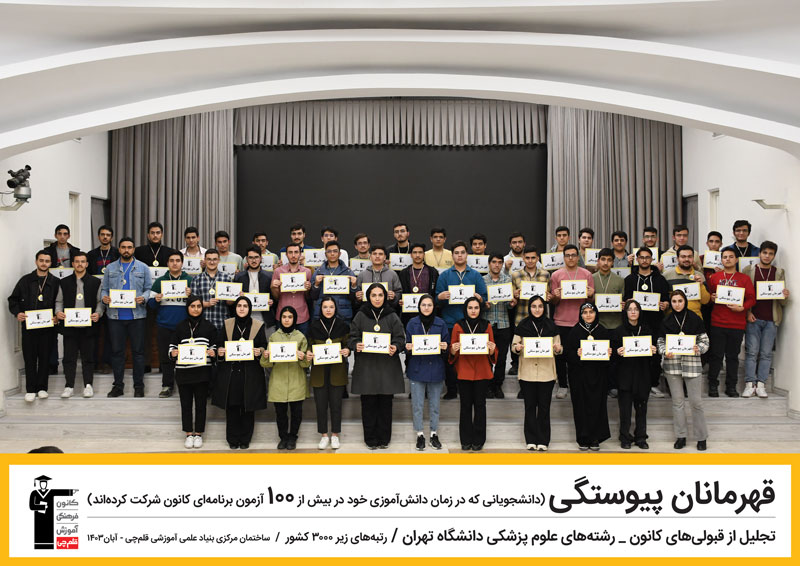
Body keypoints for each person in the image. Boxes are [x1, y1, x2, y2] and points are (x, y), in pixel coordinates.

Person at [348, 283, 406, 449]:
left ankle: (384, 438)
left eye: (380, 295)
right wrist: (356, 344)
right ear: (368, 297)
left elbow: (400, 338)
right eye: (373, 295)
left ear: (385, 297)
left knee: (385, 405)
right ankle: (370, 438)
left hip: (387, 366)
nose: (377, 298)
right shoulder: (360, 315)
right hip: (366, 367)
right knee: (368, 405)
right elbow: (351, 337)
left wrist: (396, 346)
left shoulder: (392, 315)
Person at [435, 241, 489, 399]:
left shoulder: (475, 275)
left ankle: (467, 387)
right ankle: (451, 389)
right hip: (450, 323)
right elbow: (436, 300)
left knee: (469, 356)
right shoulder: (445, 275)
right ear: (452, 255)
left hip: (471, 324)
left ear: (467, 255)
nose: (459, 255)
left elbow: (484, 299)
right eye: (456, 253)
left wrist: (480, 298)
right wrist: (440, 297)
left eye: (462, 252)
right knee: (450, 356)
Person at [212, 296, 268, 449]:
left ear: (249, 308)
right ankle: (232, 439)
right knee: (232, 407)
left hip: (250, 372)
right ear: (235, 308)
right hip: (231, 373)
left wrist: (260, 350)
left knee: (247, 407)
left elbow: (264, 345)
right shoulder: (227, 324)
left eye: (245, 306)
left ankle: (245, 439)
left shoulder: (258, 325)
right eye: (239, 306)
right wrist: (220, 351)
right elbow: (219, 344)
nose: (242, 308)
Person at [657, 290, 710, 451]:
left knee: (696, 402)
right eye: (674, 301)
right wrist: (664, 351)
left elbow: (705, 341)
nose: (677, 304)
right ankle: (681, 436)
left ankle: (701, 437)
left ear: (685, 301)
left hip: (692, 365)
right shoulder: (666, 320)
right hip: (672, 366)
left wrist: (699, 348)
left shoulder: (695, 318)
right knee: (677, 402)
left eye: (680, 301)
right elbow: (660, 342)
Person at [101, 237, 152, 397]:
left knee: (138, 352)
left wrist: (143, 297)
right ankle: (118, 386)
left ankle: (139, 386)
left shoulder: (143, 268)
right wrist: (104, 298)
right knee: (117, 353)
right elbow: (104, 289)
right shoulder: (110, 268)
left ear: (133, 249)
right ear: (119, 249)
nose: (126, 250)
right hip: (115, 317)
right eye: (123, 247)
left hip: (137, 316)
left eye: (129, 247)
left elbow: (149, 288)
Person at [511, 296, 563, 451]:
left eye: (540, 306)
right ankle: (531, 439)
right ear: (530, 308)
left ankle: (543, 440)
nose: (537, 309)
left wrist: (558, 349)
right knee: (530, 407)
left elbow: (559, 347)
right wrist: (517, 348)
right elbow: (514, 346)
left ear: (544, 308)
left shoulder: (551, 325)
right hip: (527, 373)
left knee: (544, 408)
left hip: (547, 373)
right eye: (534, 306)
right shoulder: (523, 325)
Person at [8, 250, 60, 401]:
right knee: (29, 358)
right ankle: (30, 389)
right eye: (41, 260)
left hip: (48, 327)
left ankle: (42, 388)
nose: (44, 263)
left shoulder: (56, 282)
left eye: (47, 261)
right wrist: (17, 313)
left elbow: (61, 302)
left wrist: (57, 316)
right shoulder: (25, 280)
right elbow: (13, 299)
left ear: (51, 263)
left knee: (45, 357)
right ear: (36, 261)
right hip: (29, 327)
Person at [707, 248, 757, 397]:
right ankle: (713, 385)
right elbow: (709, 296)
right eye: (725, 257)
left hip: (737, 324)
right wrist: (711, 297)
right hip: (718, 322)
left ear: (736, 259)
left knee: (732, 357)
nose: (728, 259)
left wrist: (743, 308)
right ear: (721, 260)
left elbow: (752, 298)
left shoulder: (744, 279)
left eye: (731, 256)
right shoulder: (714, 277)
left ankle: (731, 387)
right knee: (716, 356)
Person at [742, 241, 789, 398]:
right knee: (752, 352)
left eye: (770, 254)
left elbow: (782, 303)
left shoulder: (779, 272)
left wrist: (785, 295)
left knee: (766, 353)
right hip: (753, 318)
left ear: (774, 256)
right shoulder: (749, 270)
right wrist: (747, 313)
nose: (767, 256)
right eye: (765, 253)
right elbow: (743, 295)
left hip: (771, 319)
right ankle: (750, 384)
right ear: (759, 253)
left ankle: (761, 384)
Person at [449, 297, 497, 451]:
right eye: (470, 308)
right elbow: (451, 351)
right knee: (465, 406)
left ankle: (478, 440)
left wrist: (492, 350)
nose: (473, 311)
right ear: (465, 309)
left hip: (482, 371)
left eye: (476, 308)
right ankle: (465, 440)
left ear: (480, 309)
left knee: (480, 406)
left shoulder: (486, 325)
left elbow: (493, 350)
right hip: (464, 371)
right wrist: (453, 350)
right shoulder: (458, 325)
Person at [169, 295, 216, 449]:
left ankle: (199, 434)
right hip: (183, 373)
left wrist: (213, 352)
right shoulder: (180, 326)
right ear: (187, 308)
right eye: (192, 306)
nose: (196, 309)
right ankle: (189, 434)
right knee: (186, 405)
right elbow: (171, 346)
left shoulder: (209, 326)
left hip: (202, 373)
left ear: (202, 308)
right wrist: (173, 353)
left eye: (199, 306)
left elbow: (214, 346)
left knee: (201, 405)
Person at [260, 306, 311, 450]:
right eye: (284, 317)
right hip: (279, 381)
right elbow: (266, 364)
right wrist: (266, 356)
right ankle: (283, 437)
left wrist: (303, 357)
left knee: (296, 412)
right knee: (280, 413)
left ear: (295, 319)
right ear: (280, 319)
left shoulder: (300, 337)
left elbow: (305, 364)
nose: (287, 320)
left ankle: (293, 437)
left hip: (296, 380)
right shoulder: (274, 337)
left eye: (290, 317)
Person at [54, 251, 103, 398]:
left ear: (87, 264)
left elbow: (100, 302)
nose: (80, 264)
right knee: (69, 358)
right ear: (73, 264)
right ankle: (69, 386)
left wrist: (98, 313)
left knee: (88, 358)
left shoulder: (95, 282)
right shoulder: (64, 282)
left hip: (88, 326)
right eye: (77, 262)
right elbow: (59, 301)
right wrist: (58, 312)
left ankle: (88, 385)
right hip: (70, 327)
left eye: (82, 262)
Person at [623, 247, 670, 398]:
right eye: (641, 257)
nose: (644, 260)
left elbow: (666, 299)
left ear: (651, 259)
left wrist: (665, 304)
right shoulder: (629, 279)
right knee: (635, 355)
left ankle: (653, 384)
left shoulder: (660, 279)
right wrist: (626, 303)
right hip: (634, 324)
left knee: (654, 355)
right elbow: (625, 300)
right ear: (637, 259)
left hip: (655, 323)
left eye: (647, 257)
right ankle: (634, 383)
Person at [550, 244, 595, 399]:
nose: (571, 258)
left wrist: (591, 294)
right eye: (568, 255)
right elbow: (553, 302)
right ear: (563, 257)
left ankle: (579, 383)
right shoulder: (556, 275)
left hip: (581, 322)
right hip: (561, 321)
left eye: (573, 255)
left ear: (578, 257)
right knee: (561, 355)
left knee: (581, 355)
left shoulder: (587, 274)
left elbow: (591, 302)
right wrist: (555, 296)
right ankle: (563, 385)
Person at [405, 294, 449, 450]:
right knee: (417, 405)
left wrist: (445, 346)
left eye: (429, 305)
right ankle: (419, 434)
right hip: (417, 368)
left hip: (435, 368)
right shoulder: (412, 323)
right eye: (423, 305)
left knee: (434, 405)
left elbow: (447, 345)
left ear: (434, 307)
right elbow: (407, 344)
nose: (426, 308)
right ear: (419, 307)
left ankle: (434, 434)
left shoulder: (441, 323)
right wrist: (408, 347)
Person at [566, 303, 612, 450]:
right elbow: (567, 354)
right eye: (585, 312)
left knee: (597, 406)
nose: (588, 315)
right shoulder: (575, 331)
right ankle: (583, 438)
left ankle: (595, 438)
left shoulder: (603, 331)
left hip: (598, 376)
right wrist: (576, 354)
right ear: (581, 315)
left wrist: (609, 353)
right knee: (581, 407)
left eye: (591, 312)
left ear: (596, 313)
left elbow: (609, 359)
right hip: (579, 377)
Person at [306, 297, 351, 450]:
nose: (328, 310)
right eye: (325, 307)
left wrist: (347, 350)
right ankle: (324, 435)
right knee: (321, 405)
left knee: (336, 405)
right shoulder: (314, 326)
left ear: (335, 308)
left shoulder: (342, 325)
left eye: (331, 307)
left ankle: (335, 435)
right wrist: (309, 353)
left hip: (337, 371)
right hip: (319, 372)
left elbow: (348, 344)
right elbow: (309, 346)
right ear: (321, 309)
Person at [612, 299, 656, 450]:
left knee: (642, 409)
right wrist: (617, 352)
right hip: (625, 376)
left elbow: (653, 357)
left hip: (642, 375)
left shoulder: (647, 330)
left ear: (639, 312)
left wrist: (654, 351)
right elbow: (612, 357)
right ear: (625, 312)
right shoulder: (618, 331)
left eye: (636, 309)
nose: (633, 312)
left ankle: (641, 437)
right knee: (625, 410)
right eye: (630, 309)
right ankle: (625, 437)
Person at [148, 249, 193, 397]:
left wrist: (191, 296)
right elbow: (150, 304)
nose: (175, 263)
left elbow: (196, 305)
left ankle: (185, 385)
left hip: (185, 326)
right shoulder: (159, 281)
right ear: (167, 263)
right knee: (166, 357)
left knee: (185, 357)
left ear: (182, 263)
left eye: (178, 261)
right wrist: (156, 300)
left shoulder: (190, 280)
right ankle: (167, 386)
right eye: (172, 261)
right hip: (164, 325)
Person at [510, 245, 551, 379]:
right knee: (520, 349)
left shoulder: (546, 274)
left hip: (541, 320)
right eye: (527, 258)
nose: (530, 260)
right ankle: (520, 374)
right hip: (522, 317)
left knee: (538, 349)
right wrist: (515, 295)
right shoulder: (515, 275)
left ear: (537, 258)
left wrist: (549, 297)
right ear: (523, 258)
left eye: (533, 258)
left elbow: (548, 296)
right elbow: (512, 299)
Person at [484, 252, 516, 398]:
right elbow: (479, 303)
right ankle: (488, 385)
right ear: (489, 264)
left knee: (502, 358)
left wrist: (512, 303)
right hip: (487, 323)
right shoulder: (483, 280)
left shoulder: (507, 280)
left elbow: (509, 305)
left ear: (502, 264)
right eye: (494, 262)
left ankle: (498, 385)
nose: (496, 265)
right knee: (487, 356)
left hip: (503, 323)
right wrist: (484, 305)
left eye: (499, 262)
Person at [270, 242, 313, 335]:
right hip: (283, 316)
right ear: (286, 254)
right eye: (290, 252)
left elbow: (308, 297)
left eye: (296, 252)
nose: (293, 255)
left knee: (303, 343)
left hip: (302, 316)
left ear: (300, 254)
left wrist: (308, 289)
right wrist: (273, 288)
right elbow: (276, 298)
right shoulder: (278, 271)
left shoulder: (307, 272)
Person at [189, 249, 235, 332]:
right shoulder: (196, 279)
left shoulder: (226, 278)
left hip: (222, 324)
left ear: (219, 260)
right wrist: (207, 304)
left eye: (214, 259)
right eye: (209, 259)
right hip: (202, 324)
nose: (212, 262)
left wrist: (234, 298)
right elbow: (193, 302)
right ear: (205, 260)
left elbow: (229, 303)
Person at [311, 240, 356, 321]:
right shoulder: (318, 272)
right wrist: (316, 285)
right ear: (325, 254)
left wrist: (353, 287)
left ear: (339, 254)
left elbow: (352, 298)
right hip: (322, 315)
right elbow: (313, 297)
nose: (332, 254)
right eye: (329, 251)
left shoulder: (348, 272)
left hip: (342, 315)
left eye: (335, 251)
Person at [662, 245, 710, 318]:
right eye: (683, 257)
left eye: (690, 256)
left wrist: (700, 285)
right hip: (673, 318)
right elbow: (664, 300)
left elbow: (705, 301)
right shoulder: (666, 275)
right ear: (677, 258)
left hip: (695, 317)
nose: (687, 259)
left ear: (693, 258)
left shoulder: (700, 276)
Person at [398, 242, 440, 324]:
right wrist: (401, 300)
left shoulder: (432, 272)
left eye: (420, 252)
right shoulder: (404, 273)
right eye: (415, 252)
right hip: (409, 314)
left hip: (428, 313)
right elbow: (400, 291)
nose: (417, 255)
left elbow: (435, 292)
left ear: (424, 254)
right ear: (411, 255)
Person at [234, 246, 275, 326]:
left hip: (266, 320)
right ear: (246, 259)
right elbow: (233, 301)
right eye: (251, 258)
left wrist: (272, 301)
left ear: (261, 258)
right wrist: (238, 297)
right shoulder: (239, 277)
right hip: (244, 320)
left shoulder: (269, 276)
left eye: (256, 257)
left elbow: (276, 298)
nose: (254, 260)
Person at [354, 244, 402, 309]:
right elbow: (356, 295)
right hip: (367, 310)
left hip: (387, 310)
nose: (377, 256)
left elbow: (398, 291)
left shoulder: (392, 274)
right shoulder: (362, 275)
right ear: (370, 257)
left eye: (380, 254)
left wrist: (394, 297)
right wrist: (358, 298)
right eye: (374, 254)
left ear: (385, 257)